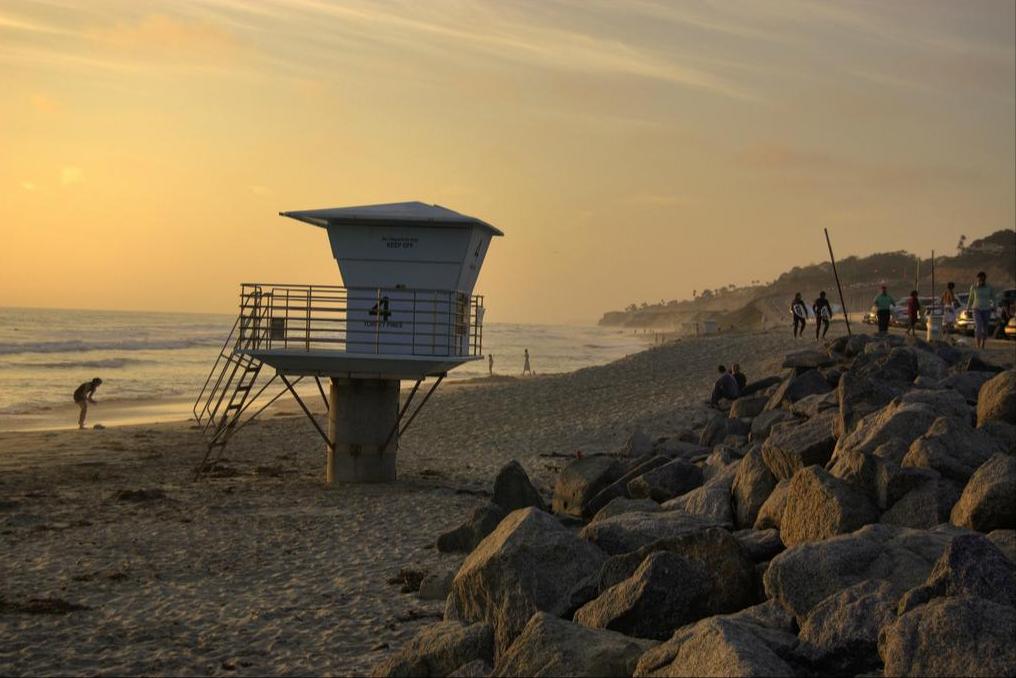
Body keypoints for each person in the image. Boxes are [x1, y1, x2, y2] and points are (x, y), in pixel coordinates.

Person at [967, 271, 996, 350]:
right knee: (978, 325)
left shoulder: (989, 287)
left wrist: (995, 306)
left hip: (986, 309)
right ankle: (978, 345)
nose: (981, 281)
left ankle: (983, 342)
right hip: (976, 308)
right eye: (979, 279)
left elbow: (993, 297)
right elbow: (971, 298)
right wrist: (967, 308)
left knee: (985, 327)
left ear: (985, 279)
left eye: (982, 279)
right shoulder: (974, 287)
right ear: (977, 279)